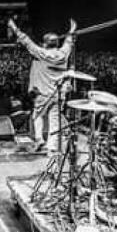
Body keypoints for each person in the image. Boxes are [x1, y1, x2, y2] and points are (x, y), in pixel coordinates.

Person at [8, 18, 77, 154]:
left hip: (43, 93)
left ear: (45, 44)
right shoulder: (63, 54)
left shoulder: (42, 53)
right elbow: (68, 43)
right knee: (54, 120)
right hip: (57, 93)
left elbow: (26, 41)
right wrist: (71, 31)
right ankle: (52, 146)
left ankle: (39, 139)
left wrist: (14, 27)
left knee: (37, 116)